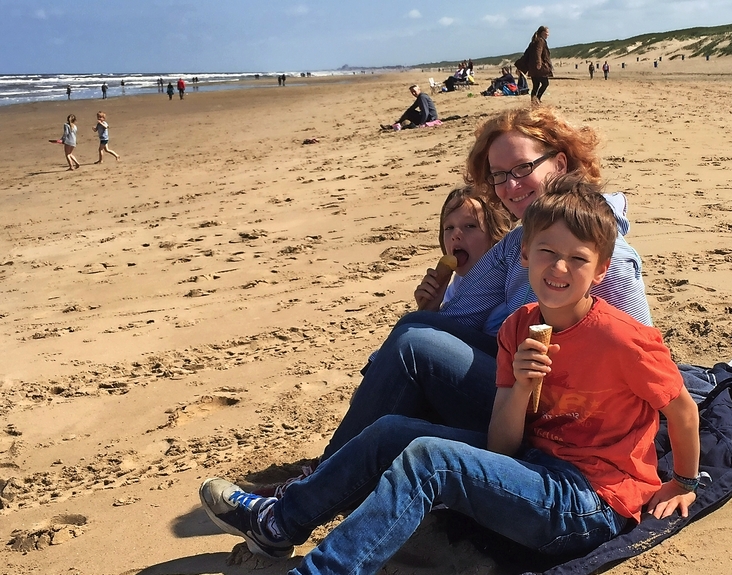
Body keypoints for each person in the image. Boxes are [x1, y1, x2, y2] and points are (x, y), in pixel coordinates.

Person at [197, 175, 701, 575]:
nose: (559, 269)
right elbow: (503, 445)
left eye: (577, 259)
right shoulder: (518, 329)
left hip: (591, 500)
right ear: (524, 255)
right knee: (393, 432)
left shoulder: (621, 337)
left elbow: (682, 408)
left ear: (602, 267)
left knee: (429, 459)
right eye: (547, 252)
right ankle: (278, 522)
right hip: (532, 461)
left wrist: (681, 480)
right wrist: (522, 386)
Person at [254, 106, 652, 497]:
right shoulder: (518, 243)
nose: (510, 186)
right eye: (498, 176)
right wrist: (420, 322)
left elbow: (644, 354)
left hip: (553, 403)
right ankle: (333, 467)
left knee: (415, 345)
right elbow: (459, 320)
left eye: (521, 169)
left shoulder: (607, 255)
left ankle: (320, 480)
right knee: (415, 327)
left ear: (559, 164)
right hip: (507, 372)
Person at [415, 186, 512, 313]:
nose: (456, 234)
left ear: (495, 237)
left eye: (469, 226)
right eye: (449, 228)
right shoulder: (456, 285)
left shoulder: (505, 284)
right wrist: (429, 307)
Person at [517, 25, 553, 104]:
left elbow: (526, 54)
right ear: (543, 33)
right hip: (538, 68)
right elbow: (538, 52)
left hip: (532, 69)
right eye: (547, 33)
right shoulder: (540, 41)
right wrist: (538, 63)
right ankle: (537, 99)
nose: (548, 34)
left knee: (536, 86)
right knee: (545, 83)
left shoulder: (534, 41)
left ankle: (533, 102)